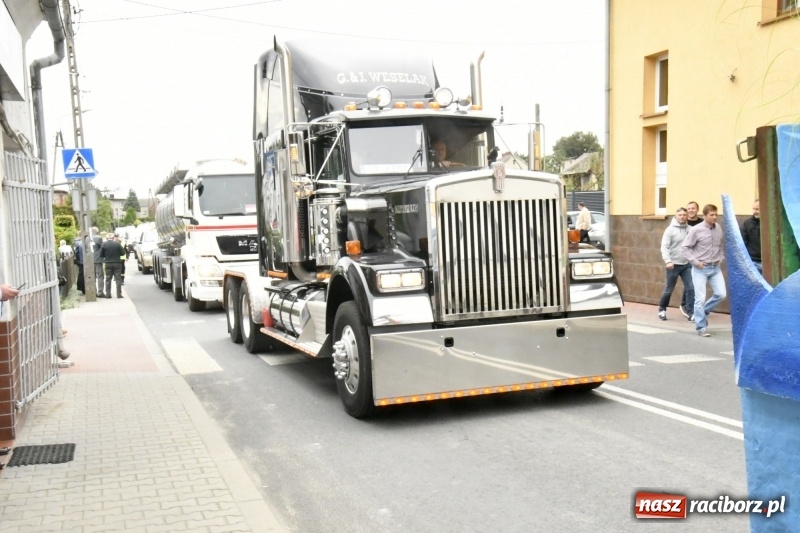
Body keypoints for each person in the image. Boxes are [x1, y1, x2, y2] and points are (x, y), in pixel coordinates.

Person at [682, 204, 726, 337]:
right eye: (711, 215)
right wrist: (696, 262)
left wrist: (721, 257)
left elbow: (720, 245)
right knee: (699, 299)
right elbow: (685, 248)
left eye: (716, 214)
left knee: (721, 294)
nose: (714, 217)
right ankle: (701, 327)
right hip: (700, 269)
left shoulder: (718, 228)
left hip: (715, 268)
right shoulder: (696, 230)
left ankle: (702, 311)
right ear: (704, 216)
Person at [658, 207, 694, 321]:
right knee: (669, 289)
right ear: (676, 216)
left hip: (687, 264)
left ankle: (691, 312)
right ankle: (662, 309)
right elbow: (664, 246)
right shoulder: (670, 230)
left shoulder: (691, 229)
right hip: (673, 265)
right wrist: (668, 261)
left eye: (684, 215)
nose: (682, 217)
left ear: (687, 216)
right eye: (680, 215)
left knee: (691, 288)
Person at [100, 232, 126, 298]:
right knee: (118, 279)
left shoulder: (104, 244)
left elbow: (101, 255)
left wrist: (106, 256)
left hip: (108, 263)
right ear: (113, 237)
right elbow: (123, 253)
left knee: (108, 279)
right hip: (117, 263)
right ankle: (119, 294)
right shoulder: (117, 244)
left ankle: (108, 294)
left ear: (106, 238)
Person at [740, 199, 761, 274]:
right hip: (753, 262)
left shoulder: (769, 223)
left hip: (768, 262)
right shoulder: (747, 223)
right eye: (754, 209)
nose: (755, 211)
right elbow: (742, 242)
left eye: (757, 209)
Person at [92, 227, 105, 297]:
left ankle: (93, 291)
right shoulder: (99, 238)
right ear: (97, 231)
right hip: (97, 259)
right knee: (100, 276)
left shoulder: (87, 238)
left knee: (92, 276)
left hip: (90, 259)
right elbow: (103, 247)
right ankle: (100, 292)